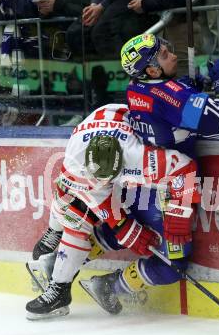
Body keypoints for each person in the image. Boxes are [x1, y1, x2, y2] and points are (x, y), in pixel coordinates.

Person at [78, 33, 219, 313]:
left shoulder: (136, 87)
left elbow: (168, 96)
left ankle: (59, 265)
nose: (174, 56)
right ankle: (109, 286)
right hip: (171, 194)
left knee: (117, 234)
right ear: (152, 69)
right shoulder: (170, 97)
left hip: (142, 186)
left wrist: (192, 87)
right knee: (171, 266)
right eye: (166, 55)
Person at [26, 103, 200, 320]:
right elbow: (99, 199)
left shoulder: (136, 156)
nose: (103, 183)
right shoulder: (74, 160)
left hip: (128, 133)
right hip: (95, 138)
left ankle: (65, 265)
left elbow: (185, 168)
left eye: (109, 178)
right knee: (76, 211)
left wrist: (179, 213)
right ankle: (58, 266)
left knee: (171, 261)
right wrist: (126, 229)